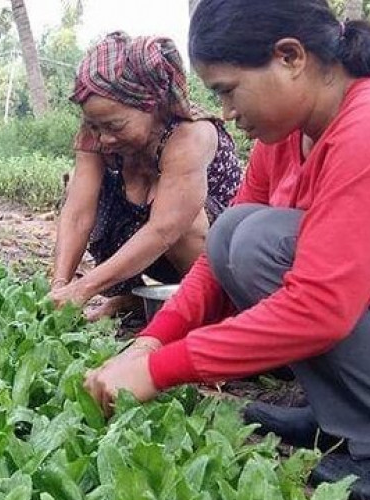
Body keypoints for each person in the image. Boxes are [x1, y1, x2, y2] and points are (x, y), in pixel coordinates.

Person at [84, 0, 370, 500]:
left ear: (290, 58)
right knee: (234, 236)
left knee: (264, 241)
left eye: (226, 90)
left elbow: (320, 306)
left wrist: (162, 370)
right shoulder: (286, 136)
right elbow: (218, 261)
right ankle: (343, 412)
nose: (225, 112)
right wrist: (150, 342)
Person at [49, 32, 242, 321]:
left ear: (153, 106)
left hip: (215, 259)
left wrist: (84, 288)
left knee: (185, 221)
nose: (104, 137)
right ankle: (137, 300)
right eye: (94, 125)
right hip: (152, 251)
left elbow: (165, 230)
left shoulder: (191, 135)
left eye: (115, 125)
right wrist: (60, 287)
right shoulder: (97, 134)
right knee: (90, 196)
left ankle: (215, 309)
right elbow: (77, 214)